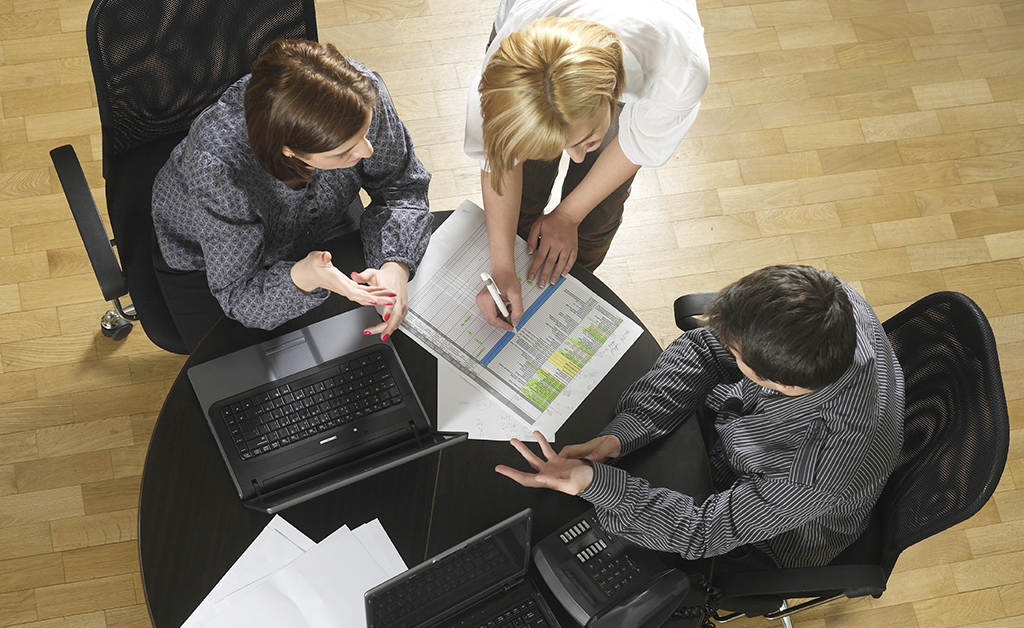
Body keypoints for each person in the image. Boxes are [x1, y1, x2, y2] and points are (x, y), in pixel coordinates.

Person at [496, 265, 905, 571]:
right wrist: (622, 434)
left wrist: (596, 484)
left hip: (769, 532)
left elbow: (702, 531)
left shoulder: (815, 471)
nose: (725, 345)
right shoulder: (827, 295)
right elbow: (704, 350)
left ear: (780, 383)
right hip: (740, 432)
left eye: (738, 356)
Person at [152, 39, 432, 352]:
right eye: (344, 151)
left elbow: (401, 183)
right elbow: (238, 293)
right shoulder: (218, 170)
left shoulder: (360, 94)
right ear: (290, 151)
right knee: (240, 363)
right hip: (208, 259)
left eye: (365, 134)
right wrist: (303, 276)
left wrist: (394, 266)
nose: (368, 151)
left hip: (322, 218)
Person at [465, 0, 709, 331]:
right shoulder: (507, 65)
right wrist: (503, 268)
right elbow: (501, 158)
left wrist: (568, 215)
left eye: (587, 140)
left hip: (652, 53)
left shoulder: (679, 68)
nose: (575, 158)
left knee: (593, 222)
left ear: (612, 94)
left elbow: (638, 144)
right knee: (522, 203)